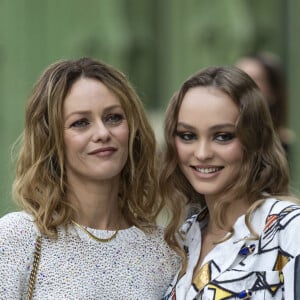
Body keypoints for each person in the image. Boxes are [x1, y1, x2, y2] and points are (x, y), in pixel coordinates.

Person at [0, 57, 180, 299]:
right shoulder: (18, 237)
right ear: (52, 139)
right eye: (81, 123)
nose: (103, 133)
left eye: (113, 117)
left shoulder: (164, 250)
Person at [159, 66, 300, 299]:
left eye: (223, 136)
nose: (202, 153)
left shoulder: (290, 231)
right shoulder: (180, 239)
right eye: (188, 135)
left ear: (253, 140)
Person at [235, 52, 295, 157]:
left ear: (273, 92)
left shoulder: (285, 145)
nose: (240, 84)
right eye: (236, 76)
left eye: (253, 79)